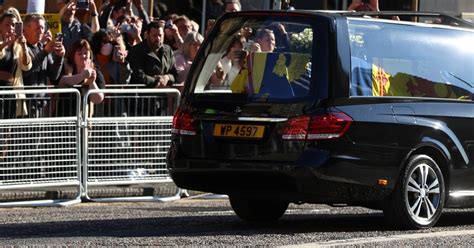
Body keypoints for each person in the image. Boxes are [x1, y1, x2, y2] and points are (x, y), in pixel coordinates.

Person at [127, 21, 178, 116]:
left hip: (162, 101)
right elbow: (138, 75)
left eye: (160, 35)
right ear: (147, 35)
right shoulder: (137, 51)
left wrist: (167, 78)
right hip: (141, 102)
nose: (158, 38)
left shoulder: (168, 50)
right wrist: (157, 81)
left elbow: (174, 74)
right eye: (154, 35)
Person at [22, 14, 65, 118]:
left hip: (41, 104)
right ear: (25, 29)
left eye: (42, 27)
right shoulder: (21, 47)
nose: (41, 31)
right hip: (25, 105)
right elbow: (27, 70)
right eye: (37, 28)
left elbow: (54, 76)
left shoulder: (42, 47)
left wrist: (59, 57)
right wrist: (45, 51)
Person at [56, 39, 105, 117]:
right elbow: (62, 82)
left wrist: (91, 82)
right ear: (73, 55)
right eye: (79, 54)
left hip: (84, 119)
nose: (83, 56)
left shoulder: (96, 72)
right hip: (64, 117)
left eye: (86, 53)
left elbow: (98, 99)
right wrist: (82, 75)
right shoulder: (65, 67)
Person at [90, 28, 130, 116]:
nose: (108, 45)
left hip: (115, 103)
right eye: (104, 41)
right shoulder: (92, 60)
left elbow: (125, 81)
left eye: (110, 42)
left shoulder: (116, 60)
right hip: (98, 104)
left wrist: (123, 64)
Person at [0, 8, 32, 119]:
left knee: (9, 127)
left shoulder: (18, 46)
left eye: (13, 25)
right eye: (7, 24)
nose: (10, 28)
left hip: (11, 91)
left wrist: (24, 47)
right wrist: (3, 45)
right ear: (0, 26)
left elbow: (26, 66)